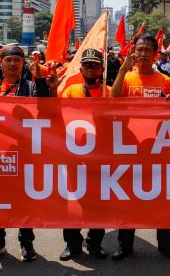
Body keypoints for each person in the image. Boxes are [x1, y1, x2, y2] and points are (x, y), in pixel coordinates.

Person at [0, 45, 58, 262]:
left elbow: (45, 111)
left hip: (24, 154)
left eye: (17, 60)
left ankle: (27, 243)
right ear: (0, 62)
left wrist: (44, 82)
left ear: (23, 63)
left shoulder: (31, 87)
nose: (13, 64)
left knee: (24, 201)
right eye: (9, 60)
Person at [110, 34, 170, 261]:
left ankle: (165, 245)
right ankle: (125, 246)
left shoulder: (165, 81)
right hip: (130, 148)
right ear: (133, 52)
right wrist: (121, 70)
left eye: (147, 50)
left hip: (158, 150)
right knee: (128, 198)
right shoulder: (127, 78)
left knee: (163, 199)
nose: (142, 54)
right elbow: (113, 101)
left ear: (155, 54)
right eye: (139, 49)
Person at [57, 48, 110, 261]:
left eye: (94, 65)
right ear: (80, 68)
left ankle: (95, 243)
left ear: (101, 68)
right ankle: (72, 244)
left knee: (97, 203)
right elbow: (57, 116)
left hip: (100, 158)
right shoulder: (70, 91)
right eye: (86, 65)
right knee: (72, 203)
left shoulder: (108, 92)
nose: (90, 68)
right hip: (74, 156)